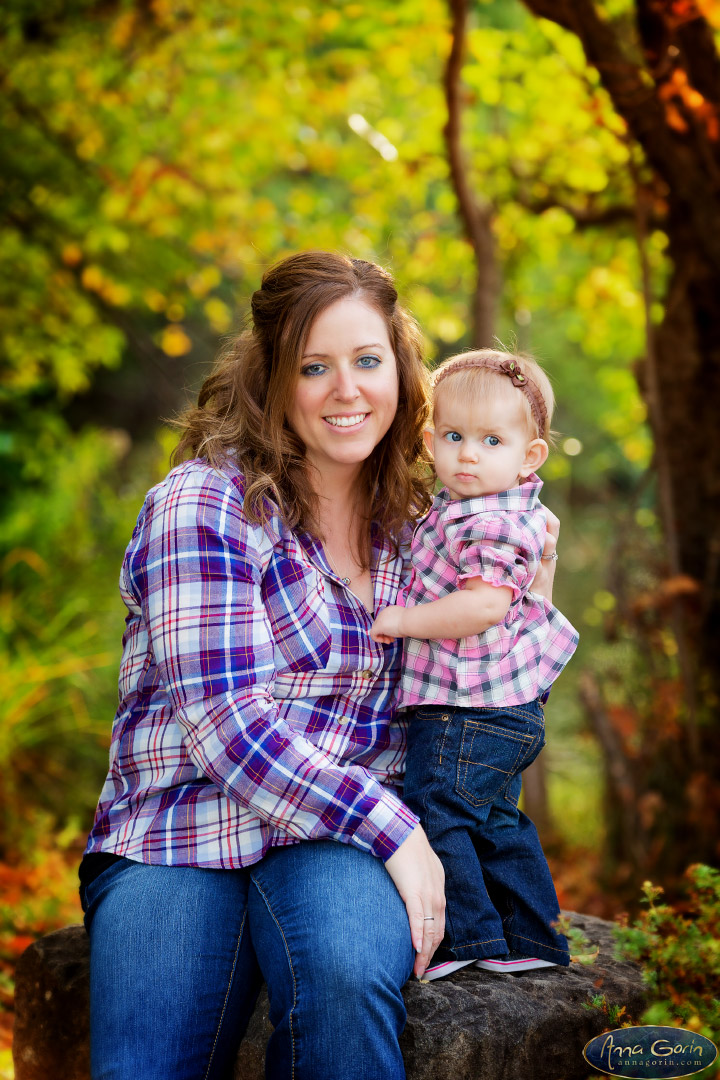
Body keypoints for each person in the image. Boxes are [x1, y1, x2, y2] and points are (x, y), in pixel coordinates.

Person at [79, 253, 559, 1080]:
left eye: (368, 361)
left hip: (332, 840)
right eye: (315, 366)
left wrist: (532, 588)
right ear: (273, 381)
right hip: (180, 829)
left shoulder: (422, 525)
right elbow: (229, 733)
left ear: (401, 375)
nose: (348, 390)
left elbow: (489, 666)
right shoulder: (204, 504)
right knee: (144, 1065)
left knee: (343, 984)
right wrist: (399, 829)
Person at [370, 348, 578, 981]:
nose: (468, 454)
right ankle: (534, 939)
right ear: (430, 441)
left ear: (529, 456)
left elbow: (483, 605)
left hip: (468, 708)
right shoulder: (479, 508)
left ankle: (468, 939)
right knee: (495, 819)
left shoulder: (492, 521)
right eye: (455, 437)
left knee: (439, 809)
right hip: (504, 708)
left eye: (492, 440)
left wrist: (401, 620)